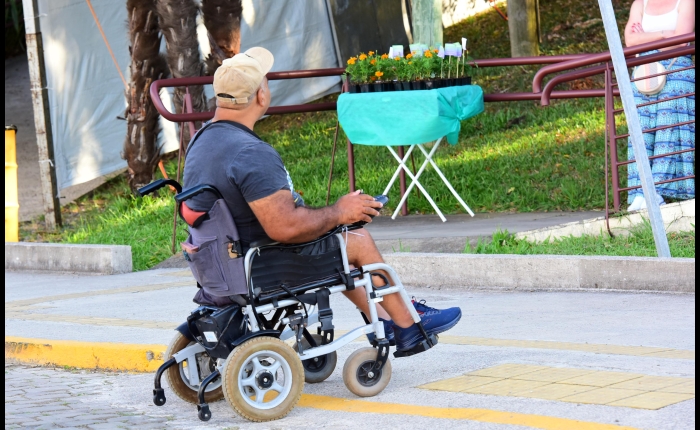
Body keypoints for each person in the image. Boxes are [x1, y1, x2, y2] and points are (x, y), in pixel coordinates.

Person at [182, 47, 461, 354]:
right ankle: (409, 326)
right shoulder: (249, 152)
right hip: (261, 265)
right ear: (261, 94)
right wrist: (340, 211)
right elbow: (285, 227)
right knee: (355, 239)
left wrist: (335, 218)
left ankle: (387, 317)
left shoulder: (202, 140)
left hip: (222, 263)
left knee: (338, 239)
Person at [624, 0, 695, 211]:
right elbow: (630, 40)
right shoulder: (640, 4)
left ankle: (655, 191)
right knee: (640, 127)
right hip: (644, 72)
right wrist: (664, 34)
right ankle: (640, 191)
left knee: (667, 122)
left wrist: (646, 37)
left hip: (676, 67)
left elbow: (681, 41)